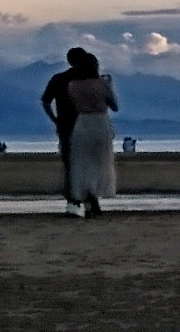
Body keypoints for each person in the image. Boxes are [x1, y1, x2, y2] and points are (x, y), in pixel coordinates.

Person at [42, 47, 121, 216]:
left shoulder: (65, 81)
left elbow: (47, 101)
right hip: (95, 123)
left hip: (75, 125)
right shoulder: (100, 82)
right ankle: (91, 200)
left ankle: (74, 201)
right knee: (96, 163)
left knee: (74, 165)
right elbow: (114, 105)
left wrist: (55, 119)